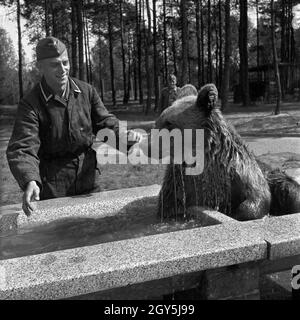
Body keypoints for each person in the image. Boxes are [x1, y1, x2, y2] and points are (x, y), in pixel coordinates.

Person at [6, 36, 142, 216]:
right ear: (40, 67)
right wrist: (29, 180)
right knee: (61, 239)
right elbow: (23, 147)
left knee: (99, 233)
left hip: (89, 182)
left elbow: (104, 124)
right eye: (55, 65)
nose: (62, 70)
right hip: (53, 189)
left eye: (65, 62)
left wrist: (127, 137)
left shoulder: (86, 91)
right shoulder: (31, 103)